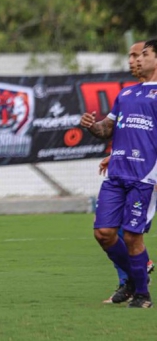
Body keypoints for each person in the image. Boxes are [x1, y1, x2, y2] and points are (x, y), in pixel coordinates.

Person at [80, 38, 157, 308]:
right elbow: (107, 129)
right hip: (116, 175)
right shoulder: (125, 94)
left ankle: (142, 294)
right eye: (133, 56)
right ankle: (136, 278)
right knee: (103, 233)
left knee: (133, 236)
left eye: (143, 55)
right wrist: (92, 126)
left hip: (144, 177)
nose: (135, 60)